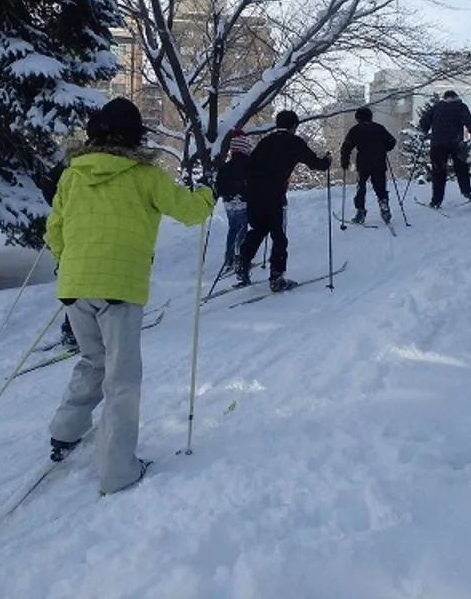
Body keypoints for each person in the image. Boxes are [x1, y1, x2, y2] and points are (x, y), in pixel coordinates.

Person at [44, 97, 214, 494]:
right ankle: (118, 470)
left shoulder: (73, 175)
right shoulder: (144, 176)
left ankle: (64, 434)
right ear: (136, 136)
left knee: (92, 360)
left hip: (74, 286)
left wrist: (70, 263)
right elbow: (189, 212)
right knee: (121, 378)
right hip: (119, 288)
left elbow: (54, 230)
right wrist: (207, 193)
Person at [236, 109, 332, 292]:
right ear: (294, 126)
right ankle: (277, 277)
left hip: (254, 193)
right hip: (273, 194)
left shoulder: (265, 142)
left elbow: (249, 167)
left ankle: (243, 261)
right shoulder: (294, 142)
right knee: (278, 236)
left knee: (258, 229)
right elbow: (315, 164)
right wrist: (327, 160)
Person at [39, 158, 79, 353]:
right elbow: (47, 182)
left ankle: (73, 329)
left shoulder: (74, 160)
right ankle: (73, 330)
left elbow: (46, 182)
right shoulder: (74, 163)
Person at [417, 90, 471, 208]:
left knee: (438, 171)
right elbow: (468, 121)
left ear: (444, 98)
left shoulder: (436, 107)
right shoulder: (461, 107)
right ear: (456, 97)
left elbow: (424, 121)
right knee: (461, 167)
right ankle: (467, 192)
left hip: (437, 144)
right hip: (455, 142)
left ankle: (436, 200)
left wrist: (425, 130)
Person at [339, 106, 397, 225]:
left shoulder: (355, 130)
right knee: (380, 186)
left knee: (361, 187)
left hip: (363, 163)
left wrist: (345, 161)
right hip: (379, 161)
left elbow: (346, 147)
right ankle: (384, 207)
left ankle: (360, 212)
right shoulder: (379, 128)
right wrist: (384, 148)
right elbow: (392, 141)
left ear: (358, 118)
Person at [215, 128, 252, 275]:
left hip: (228, 201)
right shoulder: (249, 164)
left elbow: (219, 184)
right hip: (243, 200)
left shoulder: (226, 166)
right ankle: (240, 257)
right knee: (243, 229)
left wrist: (223, 195)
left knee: (233, 228)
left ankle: (229, 258)